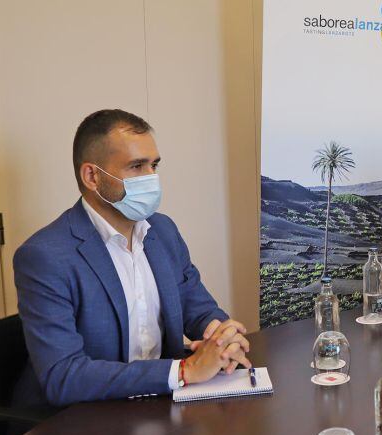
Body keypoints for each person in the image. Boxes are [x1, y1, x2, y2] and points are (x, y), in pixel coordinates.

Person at [13, 109, 251, 407]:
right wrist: (185, 370)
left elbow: (197, 306)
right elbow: (64, 376)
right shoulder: (45, 257)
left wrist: (221, 334)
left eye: (154, 165)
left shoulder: (162, 231)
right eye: (137, 166)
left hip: (157, 406)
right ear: (92, 176)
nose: (151, 178)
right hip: (80, 422)